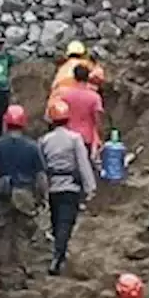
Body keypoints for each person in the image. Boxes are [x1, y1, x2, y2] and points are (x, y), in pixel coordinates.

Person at [0, 106, 48, 290]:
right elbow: (41, 177)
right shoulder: (32, 147)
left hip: (4, 193)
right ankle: (20, 276)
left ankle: (4, 276)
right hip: (25, 195)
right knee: (22, 236)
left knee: (2, 234)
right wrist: (41, 197)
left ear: (6, 123)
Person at [37, 99, 96, 276]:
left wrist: (41, 191)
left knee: (56, 222)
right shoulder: (75, 139)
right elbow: (83, 164)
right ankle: (58, 256)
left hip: (53, 187)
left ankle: (58, 252)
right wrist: (90, 187)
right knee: (65, 223)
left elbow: (41, 168)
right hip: (71, 187)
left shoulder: (44, 141)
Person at [60, 66, 106, 160]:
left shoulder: (65, 96)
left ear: (74, 77)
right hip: (86, 138)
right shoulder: (94, 97)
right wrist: (100, 136)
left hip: (68, 137)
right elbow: (97, 121)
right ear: (88, 77)